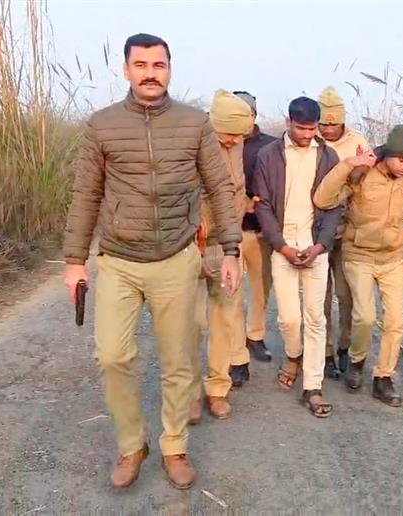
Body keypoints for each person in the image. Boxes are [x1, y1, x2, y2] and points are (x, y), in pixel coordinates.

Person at [62, 33, 241, 490]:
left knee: (179, 360)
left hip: (176, 259)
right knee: (112, 355)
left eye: (158, 65)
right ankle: (131, 446)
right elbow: (86, 194)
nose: (149, 73)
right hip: (119, 261)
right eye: (140, 65)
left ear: (169, 70)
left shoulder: (194, 123)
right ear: (126, 70)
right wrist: (75, 260)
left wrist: (231, 250)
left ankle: (174, 445)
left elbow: (220, 188)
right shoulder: (102, 125)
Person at [313, 123, 403, 407]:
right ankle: (357, 361)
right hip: (359, 255)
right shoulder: (363, 173)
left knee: (395, 321)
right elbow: (323, 199)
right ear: (389, 154)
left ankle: (383, 377)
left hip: (393, 258)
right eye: (402, 160)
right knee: (365, 317)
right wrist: (348, 164)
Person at [253, 97, 343, 417]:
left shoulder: (328, 156)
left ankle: (313, 387)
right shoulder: (268, 155)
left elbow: (334, 205)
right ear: (288, 122)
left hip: (315, 246)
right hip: (284, 245)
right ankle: (294, 355)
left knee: (316, 317)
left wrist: (320, 246)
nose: (307, 134)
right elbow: (263, 205)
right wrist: (282, 246)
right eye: (301, 128)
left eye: (311, 128)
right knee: (289, 319)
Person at [189, 90, 254, 424]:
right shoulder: (190, 142)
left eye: (242, 135)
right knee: (191, 324)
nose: (237, 140)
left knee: (225, 318)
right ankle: (188, 394)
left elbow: (236, 190)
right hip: (192, 245)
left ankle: (217, 388)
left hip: (227, 245)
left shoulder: (237, 143)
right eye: (231, 134)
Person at [316, 86, 370, 378]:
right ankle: (324, 353)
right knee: (319, 298)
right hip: (315, 229)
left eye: (333, 124)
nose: (327, 129)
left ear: (342, 121)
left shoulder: (358, 142)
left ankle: (345, 347)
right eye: (323, 124)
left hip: (347, 229)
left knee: (347, 296)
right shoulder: (309, 141)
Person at [223, 90, 277, 384]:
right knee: (230, 293)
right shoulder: (219, 143)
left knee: (260, 289)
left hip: (259, 230)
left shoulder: (270, 146)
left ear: (254, 116)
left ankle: (255, 335)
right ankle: (236, 354)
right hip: (228, 233)